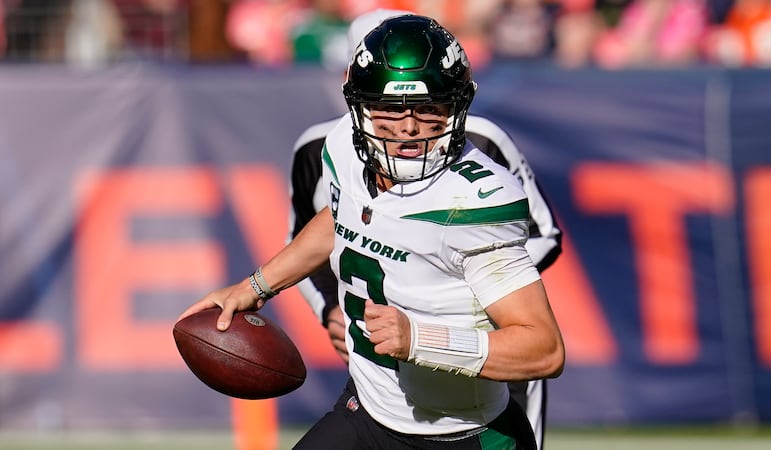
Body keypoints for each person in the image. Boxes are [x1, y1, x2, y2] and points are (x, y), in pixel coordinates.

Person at [179, 14, 565, 449]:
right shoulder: (344, 145)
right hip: (368, 410)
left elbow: (544, 349)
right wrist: (255, 287)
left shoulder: (472, 201)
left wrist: (419, 339)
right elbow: (340, 216)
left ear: (458, 106)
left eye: (430, 108)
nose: (408, 127)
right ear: (357, 106)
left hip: (462, 434)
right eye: (390, 109)